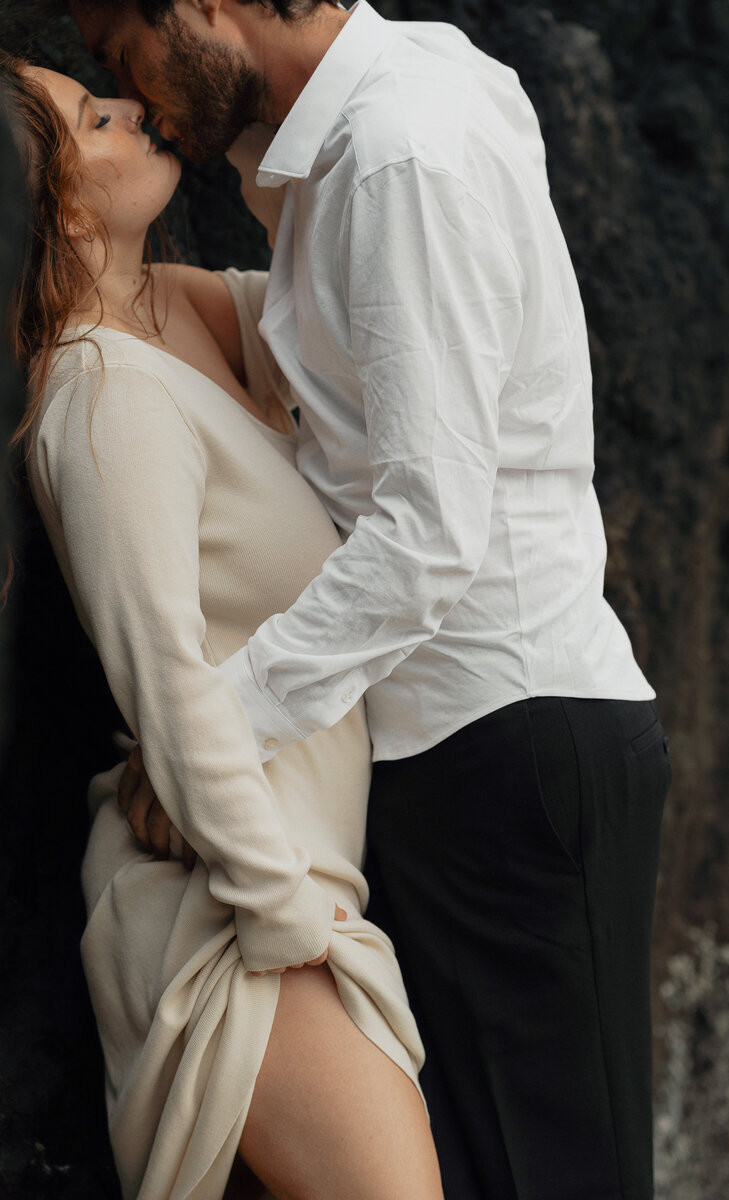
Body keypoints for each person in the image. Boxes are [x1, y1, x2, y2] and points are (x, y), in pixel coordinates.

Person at [58, 1, 672, 1197]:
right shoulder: (384, 111)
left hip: (503, 737)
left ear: (195, 8)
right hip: (465, 744)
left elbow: (427, 537)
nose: (128, 84)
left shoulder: (397, 152)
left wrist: (206, 745)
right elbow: (322, 351)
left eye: (118, 47)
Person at [2, 51, 445, 1200]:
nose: (136, 110)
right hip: (230, 911)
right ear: (52, 199)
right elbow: (163, 678)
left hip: (294, 886)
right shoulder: (102, 393)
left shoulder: (185, 310)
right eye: (93, 120)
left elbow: (342, 293)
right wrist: (283, 917)